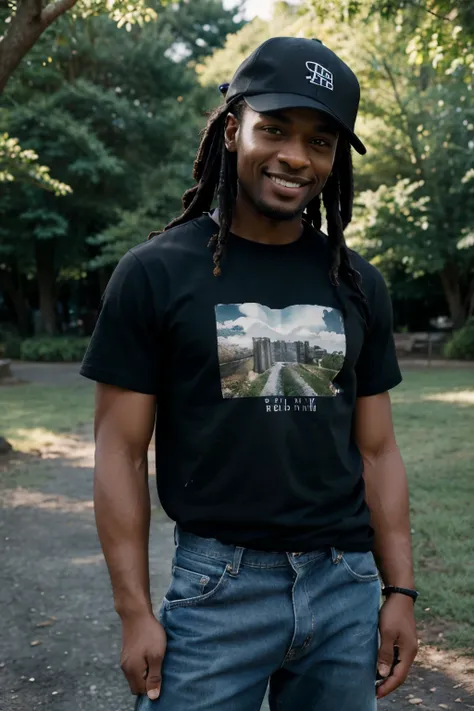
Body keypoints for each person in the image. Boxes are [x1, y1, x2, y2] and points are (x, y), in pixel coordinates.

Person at [81, 36, 418, 711]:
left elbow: (378, 451)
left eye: (320, 141)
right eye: (276, 129)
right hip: (218, 591)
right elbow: (119, 450)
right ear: (233, 130)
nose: (297, 156)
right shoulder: (155, 273)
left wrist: (400, 591)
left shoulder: (356, 284)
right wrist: (133, 610)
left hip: (344, 585)